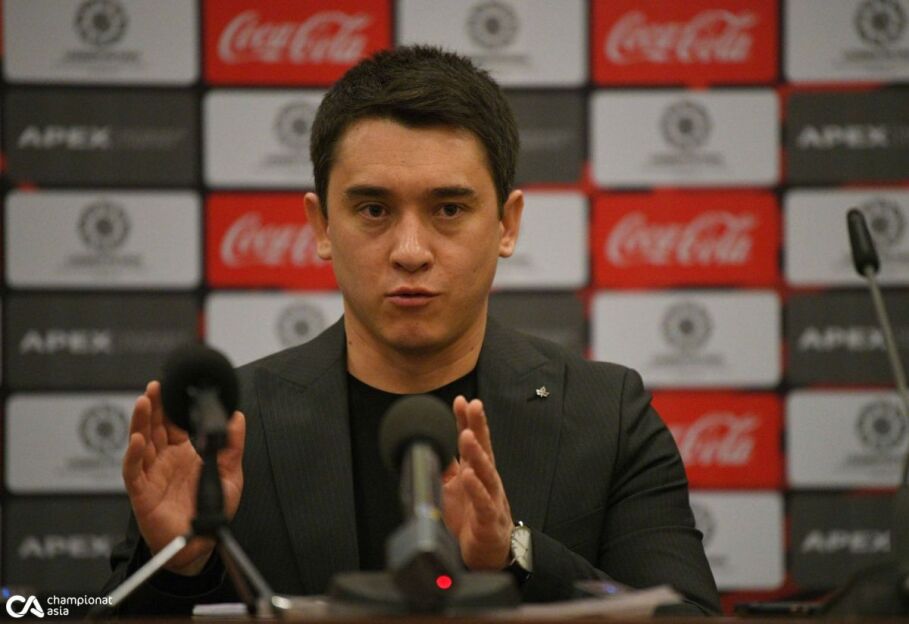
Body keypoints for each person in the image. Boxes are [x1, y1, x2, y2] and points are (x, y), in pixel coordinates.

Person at [101, 45, 721, 615]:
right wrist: (179, 568)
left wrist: (514, 552)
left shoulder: (607, 414)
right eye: (373, 209)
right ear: (321, 226)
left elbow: (687, 615)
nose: (410, 251)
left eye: (448, 209)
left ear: (507, 224)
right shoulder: (226, 429)